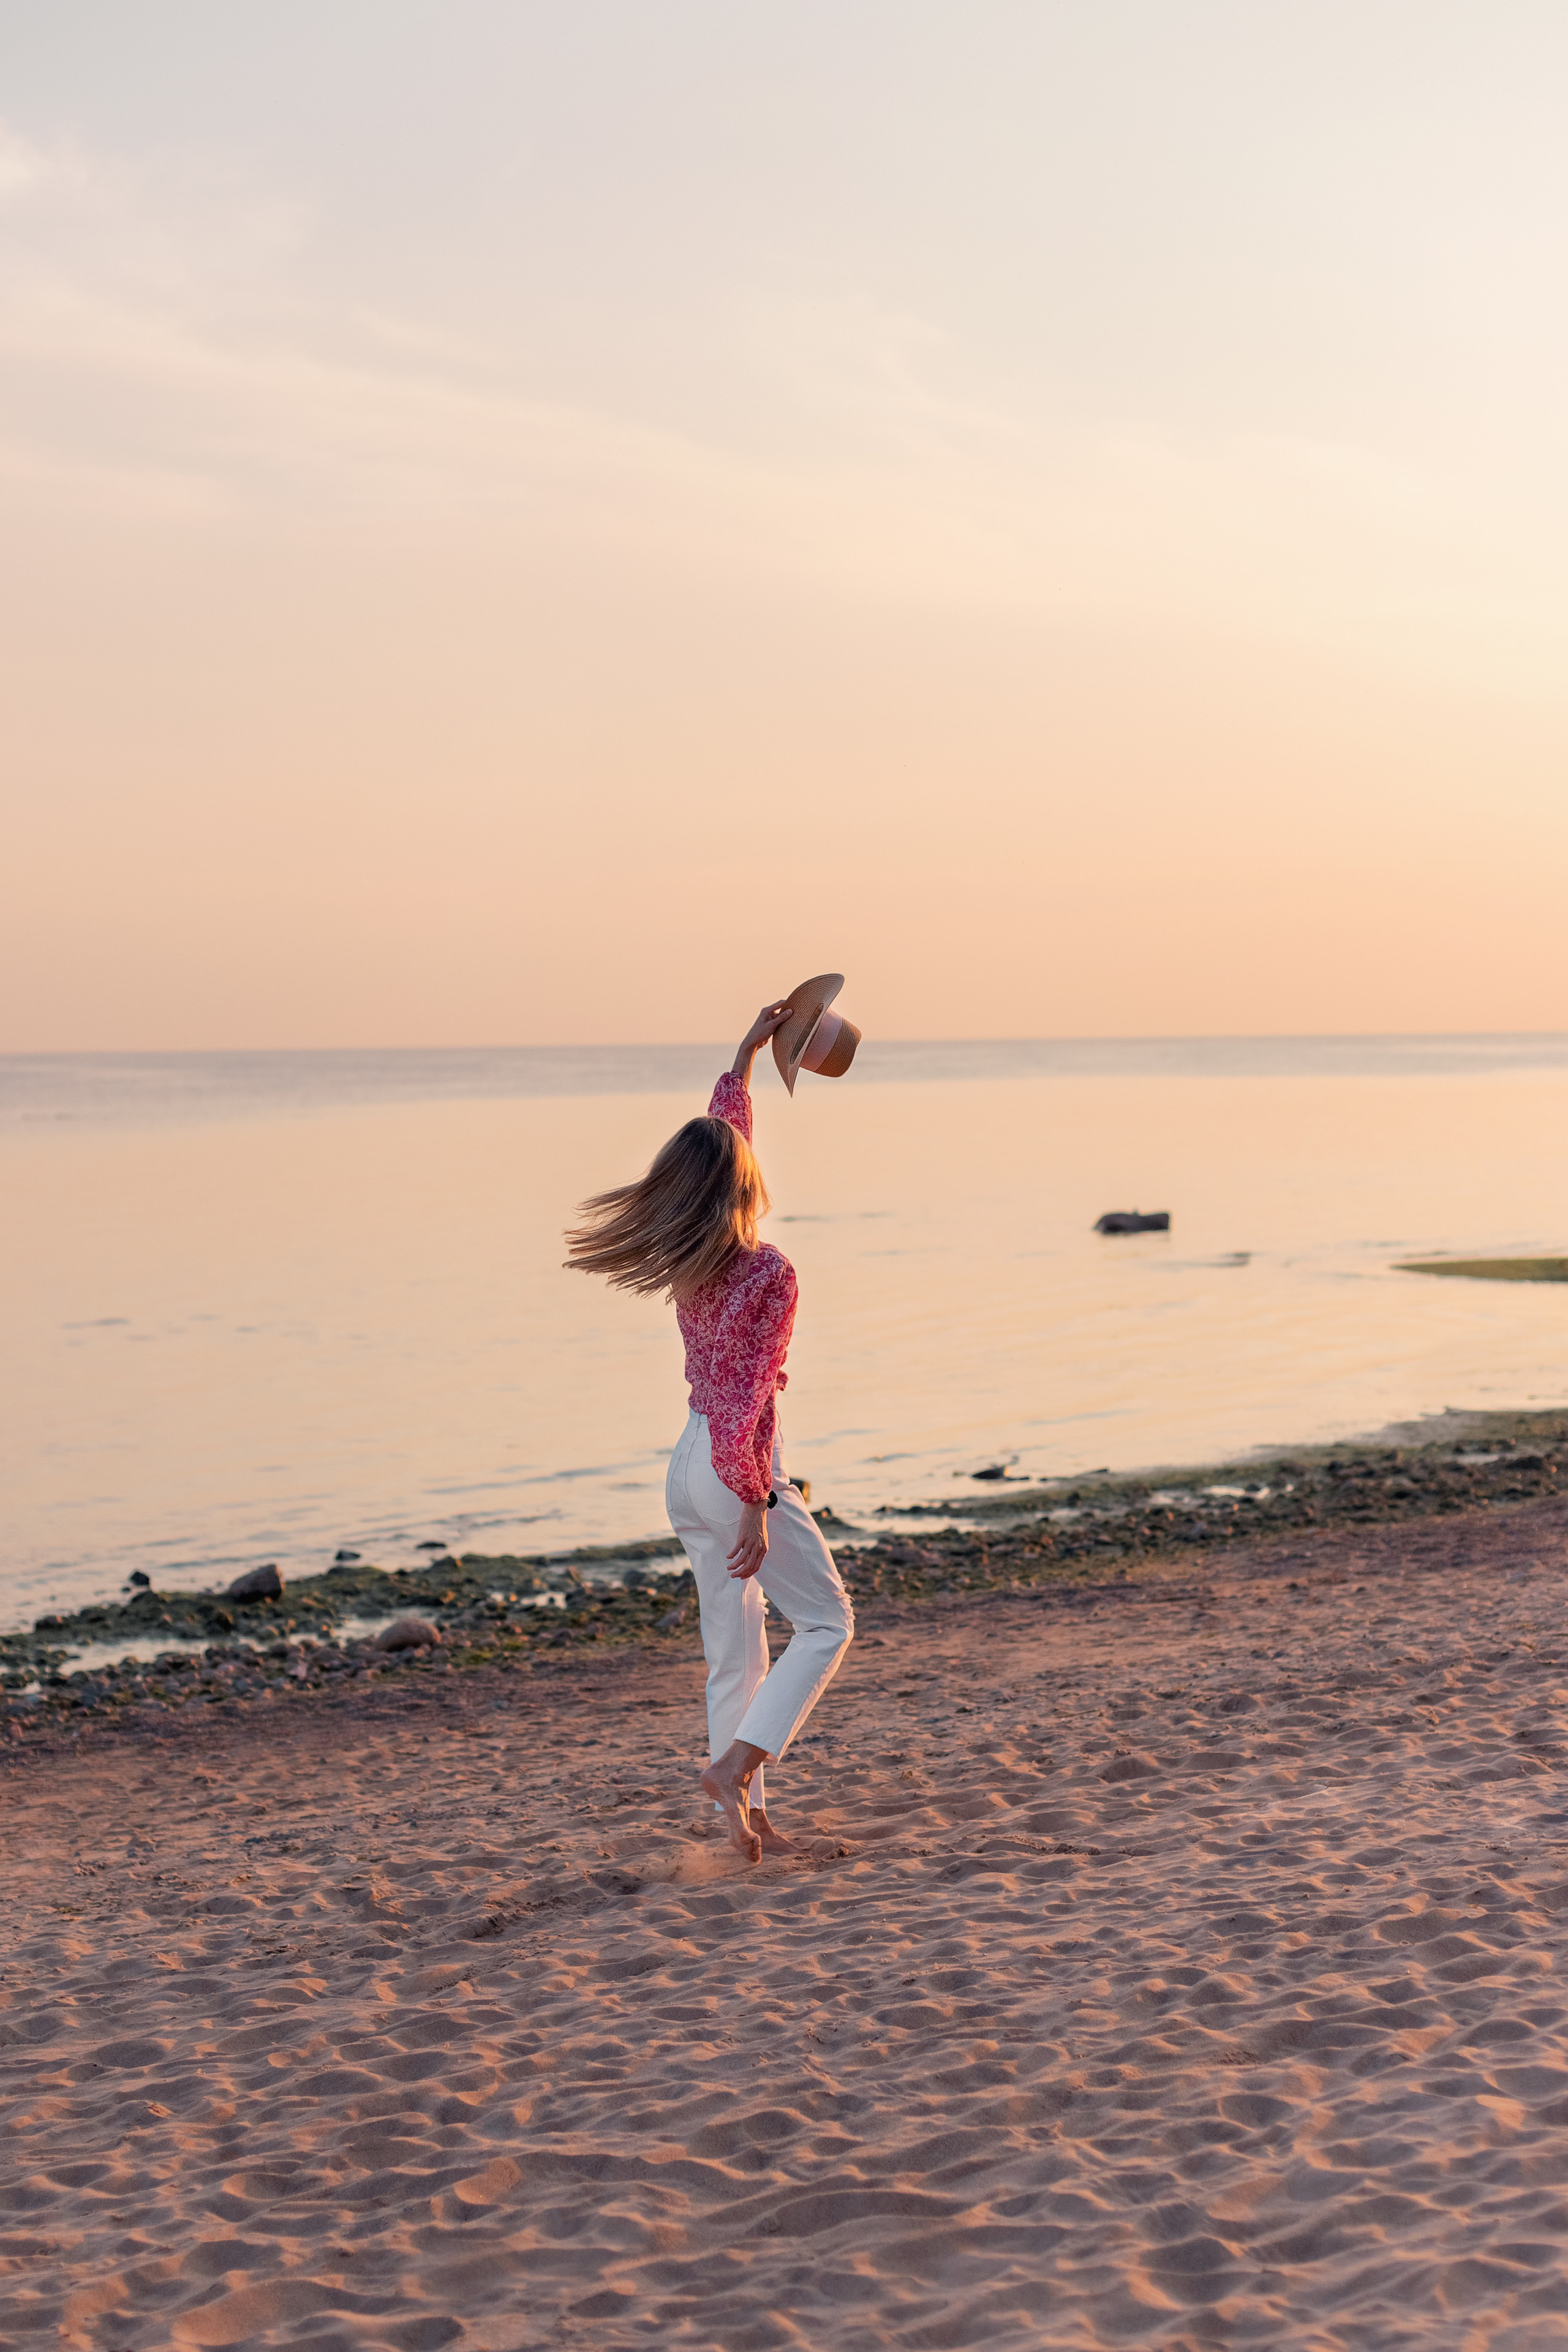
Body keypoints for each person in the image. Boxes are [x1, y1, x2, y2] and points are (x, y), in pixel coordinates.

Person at [564, 1001, 854, 1861]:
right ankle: (735, 1768)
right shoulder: (769, 1269)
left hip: (686, 1468)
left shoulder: (698, 1255)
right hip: (735, 1471)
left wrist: (746, 1057)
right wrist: (761, 1502)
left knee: (734, 1652)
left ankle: (746, 1822)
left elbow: (724, 1137)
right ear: (741, 1181)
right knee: (828, 1624)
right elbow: (751, 1397)